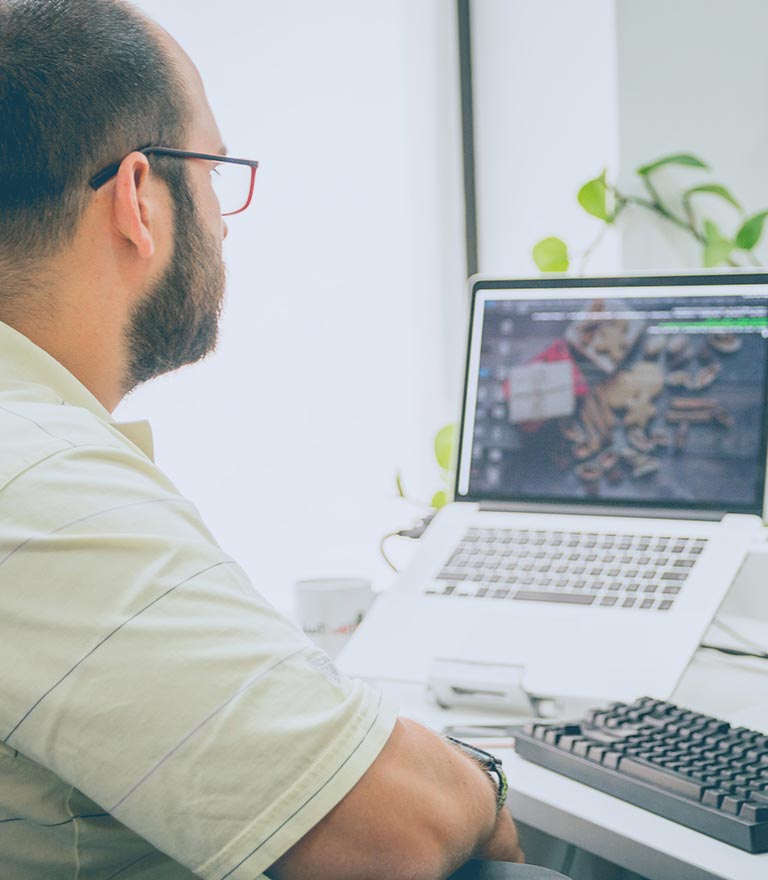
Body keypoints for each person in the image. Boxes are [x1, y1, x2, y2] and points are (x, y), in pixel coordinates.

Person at [0, 1, 525, 877]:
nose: (225, 216)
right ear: (138, 198)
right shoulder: (38, 479)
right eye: (212, 171)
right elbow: (399, 829)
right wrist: (485, 786)